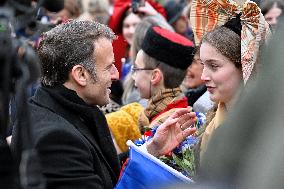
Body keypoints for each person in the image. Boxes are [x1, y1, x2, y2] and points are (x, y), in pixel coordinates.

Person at [11, 20, 196, 189]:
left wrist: (151, 149)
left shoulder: (67, 110)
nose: (116, 75)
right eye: (109, 67)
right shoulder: (55, 138)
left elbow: (100, 171)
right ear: (81, 74)